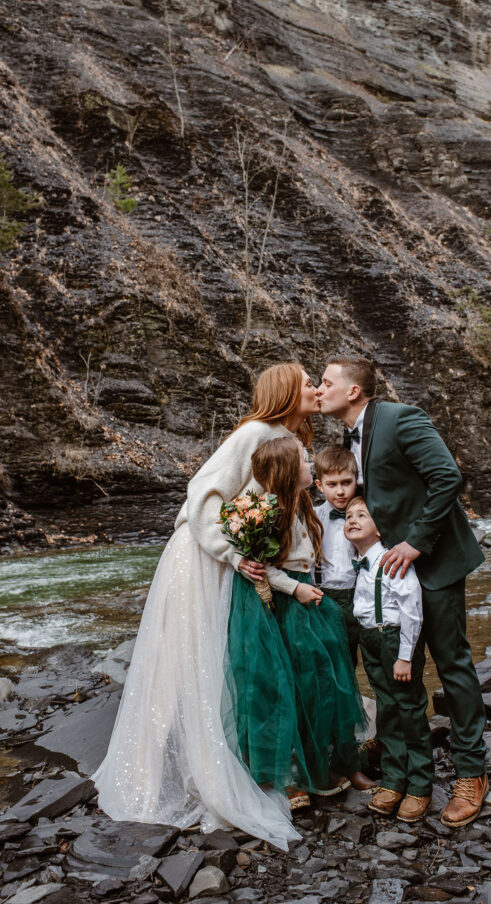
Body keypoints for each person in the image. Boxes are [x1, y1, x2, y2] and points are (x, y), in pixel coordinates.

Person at [93, 362, 319, 850]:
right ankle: (174, 774)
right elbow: (202, 497)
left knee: (218, 661)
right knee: (190, 662)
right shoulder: (254, 434)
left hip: (230, 559)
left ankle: (239, 762)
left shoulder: (283, 438)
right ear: (285, 392)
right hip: (201, 556)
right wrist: (234, 553)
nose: (317, 389)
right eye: (308, 383)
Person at [317, 356, 489, 829]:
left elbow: (447, 477)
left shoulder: (400, 417)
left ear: (353, 391)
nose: (319, 388)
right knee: (394, 669)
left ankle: (472, 773)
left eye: (326, 382)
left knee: (452, 664)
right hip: (387, 572)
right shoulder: (348, 441)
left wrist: (415, 542)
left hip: (432, 562)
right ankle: (401, 755)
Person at [234, 436, 367, 809]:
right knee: (287, 687)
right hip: (290, 604)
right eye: (306, 462)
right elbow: (263, 567)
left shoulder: (301, 504)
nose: (312, 466)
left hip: (309, 599)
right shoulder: (271, 513)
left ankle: (333, 763)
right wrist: (295, 589)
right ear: (291, 472)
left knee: (325, 684)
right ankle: (290, 776)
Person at [345, 497, 433, 822]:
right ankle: (395, 779)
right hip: (370, 639)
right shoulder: (357, 561)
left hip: (394, 639)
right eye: (349, 516)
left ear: (379, 526)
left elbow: (412, 607)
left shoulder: (390, 559)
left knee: (409, 708)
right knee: (386, 708)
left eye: (362, 515)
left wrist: (405, 657)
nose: (353, 519)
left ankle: (421, 784)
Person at [313, 446, 362, 668]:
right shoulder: (313, 518)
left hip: (359, 594)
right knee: (332, 660)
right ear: (319, 485)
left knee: (358, 656)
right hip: (324, 597)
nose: (340, 491)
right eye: (332, 485)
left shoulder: (366, 516)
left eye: (346, 483)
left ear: (356, 481)